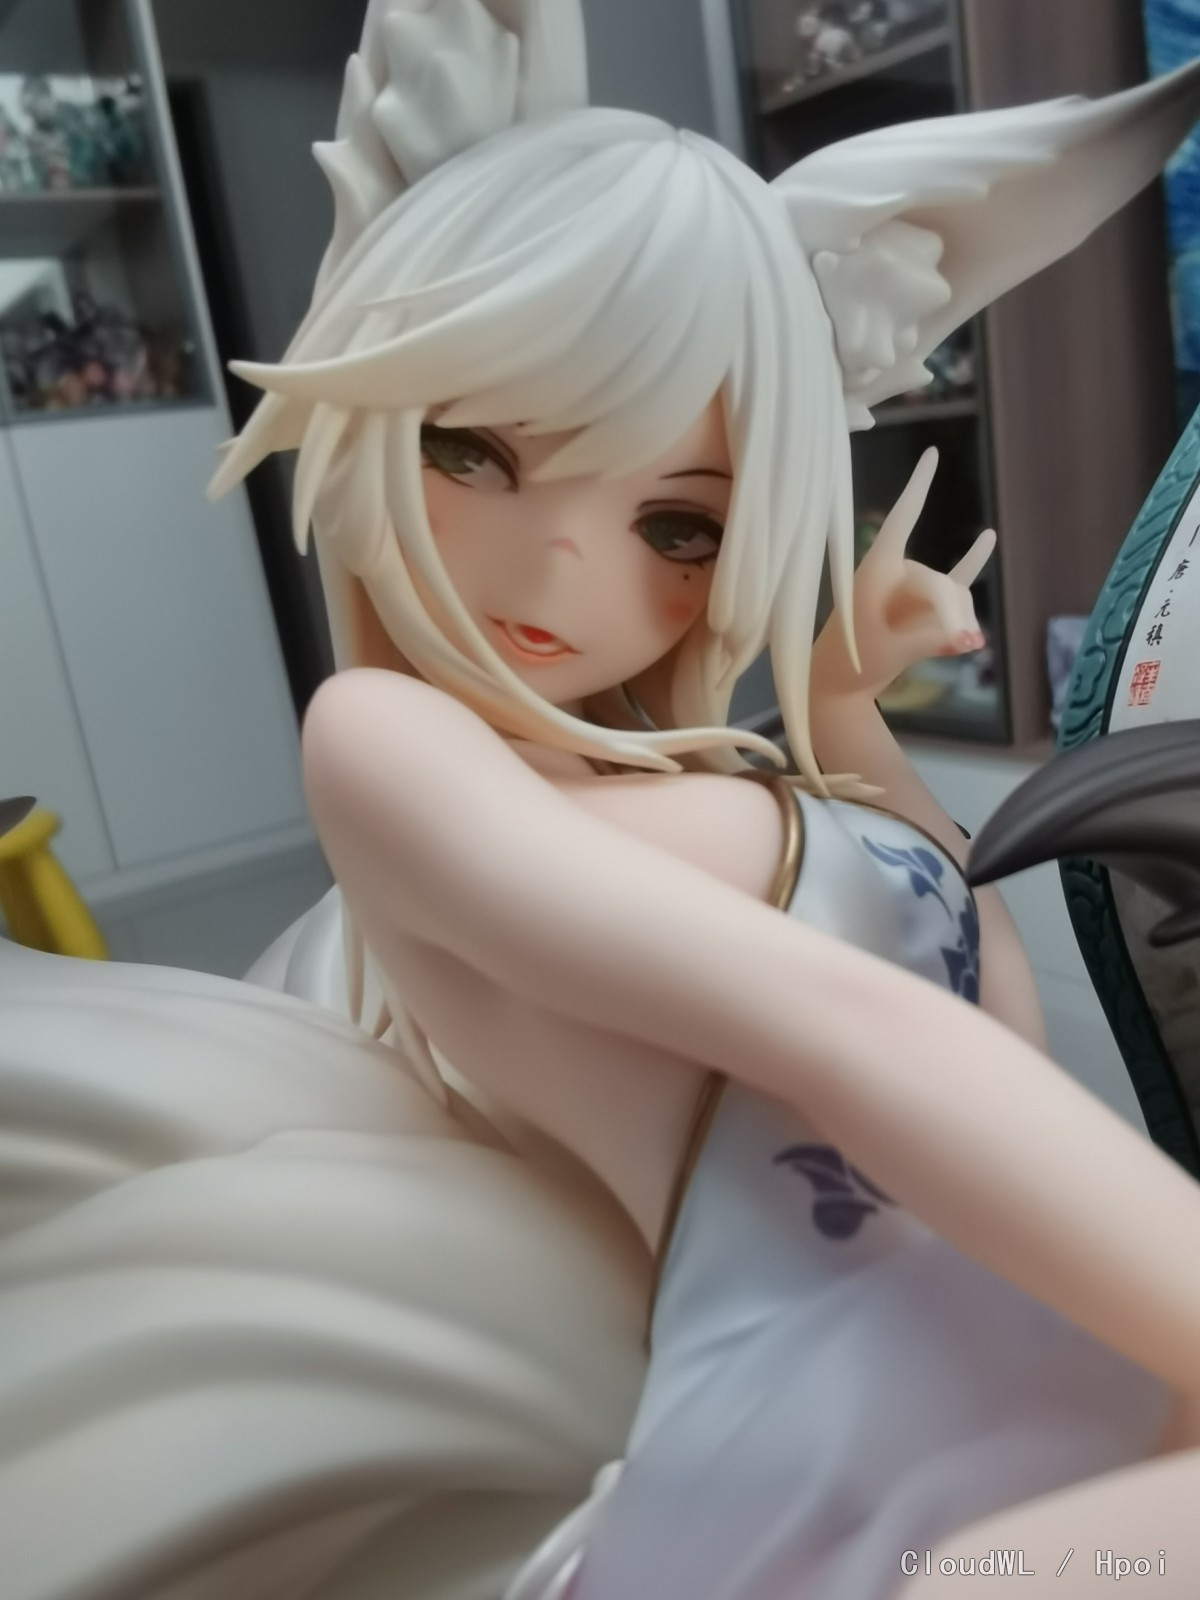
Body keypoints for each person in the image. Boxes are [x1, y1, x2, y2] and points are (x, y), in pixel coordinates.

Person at [4, 4, 1200, 1598]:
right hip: (837, 1421)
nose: (567, 561)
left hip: (1034, 1305)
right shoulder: (381, 741)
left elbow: (965, 983)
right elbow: (842, 1027)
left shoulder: (703, 765)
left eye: (676, 525)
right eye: (477, 451)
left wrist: (843, 701)